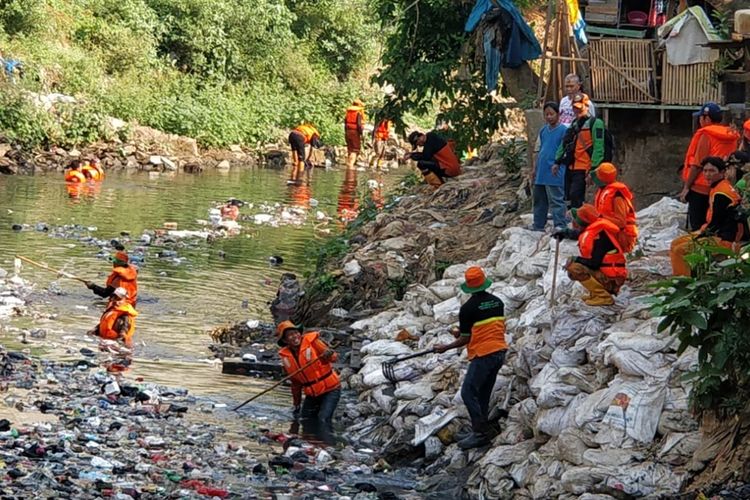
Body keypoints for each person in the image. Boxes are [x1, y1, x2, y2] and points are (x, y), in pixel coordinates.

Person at [433, 266, 508, 449]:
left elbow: (465, 338)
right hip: (499, 351)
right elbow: (485, 327)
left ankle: (480, 433)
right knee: (483, 392)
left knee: (468, 392)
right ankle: (482, 429)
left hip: (483, 354)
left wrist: (446, 347)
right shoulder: (498, 302)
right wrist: (463, 333)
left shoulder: (468, 308)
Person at [671, 157, 749, 277]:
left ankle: (683, 282)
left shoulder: (721, 193)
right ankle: (687, 276)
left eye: (712, 171)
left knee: (679, 250)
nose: (707, 174)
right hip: (717, 233)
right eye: (705, 171)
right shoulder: (720, 186)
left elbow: (715, 225)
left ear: (722, 172)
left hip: (725, 239)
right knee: (675, 243)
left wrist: (698, 236)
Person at [678, 103, 740, 231]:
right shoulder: (731, 135)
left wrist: (686, 187)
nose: (700, 121)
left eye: (701, 117)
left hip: (700, 188)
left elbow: (697, 165)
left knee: (698, 226)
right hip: (721, 187)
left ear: (706, 118)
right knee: (715, 225)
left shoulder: (706, 135)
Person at [554, 204, 628, 306]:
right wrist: (564, 233)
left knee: (574, 268)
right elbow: (579, 234)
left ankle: (604, 297)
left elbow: (594, 264)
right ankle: (595, 294)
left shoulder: (599, 238)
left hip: (612, 279)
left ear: (581, 222)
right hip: (607, 273)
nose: (573, 223)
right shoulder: (595, 229)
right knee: (575, 266)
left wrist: (575, 259)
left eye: (575, 220)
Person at [276, 321, 340, 435]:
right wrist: (296, 404)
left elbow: (334, 358)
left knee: (323, 419)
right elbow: (296, 384)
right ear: (285, 340)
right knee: (304, 419)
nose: (295, 336)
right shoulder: (286, 357)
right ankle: (309, 443)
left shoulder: (313, 342)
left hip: (330, 389)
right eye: (290, 335)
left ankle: (328, 446)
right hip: (312, 393)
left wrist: (328, 354)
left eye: (296, 333)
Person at [554, 93, 608, 209]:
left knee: (576, 197)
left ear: (587, 107)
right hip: (572, 166)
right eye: (574, 107)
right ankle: (574, 222)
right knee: (569, 197)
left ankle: (580, 223)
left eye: (579, 107)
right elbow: (565, 143)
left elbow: (599, 147)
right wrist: (557, 162)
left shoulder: (595, 124)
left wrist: (593, 169)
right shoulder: (574, 124)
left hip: (584, 168)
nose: (577, 110)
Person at [530, 102, 568, 231]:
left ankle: (560, 224)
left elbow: (564, 150)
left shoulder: (564, 131)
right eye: (546, 114)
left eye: (552, 114)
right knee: (539, 199)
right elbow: (538, 149)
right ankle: (538, 224)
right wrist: (534, 168)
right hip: (542, 169)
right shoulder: (543, 130)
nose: (549, 117)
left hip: (555, 169)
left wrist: (558, 163)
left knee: (556, 199)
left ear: (558, 114)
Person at [591, 162, 638, 252]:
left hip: (622, 237)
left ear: (602, 178)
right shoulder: (605, 190)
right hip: (610, 234)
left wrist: (600, 218)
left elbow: (621, 222)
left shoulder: (617, 196)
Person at [344, 99, 366, 170]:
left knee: (350, 149)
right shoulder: (358, 113)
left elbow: (345, 123)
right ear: (359, 105)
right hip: (355, 132)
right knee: (355, 150)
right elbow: (359, 125)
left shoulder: (348, 112)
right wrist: (361, 133)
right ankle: (350, 167)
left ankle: (348, 165)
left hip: (347, 131)